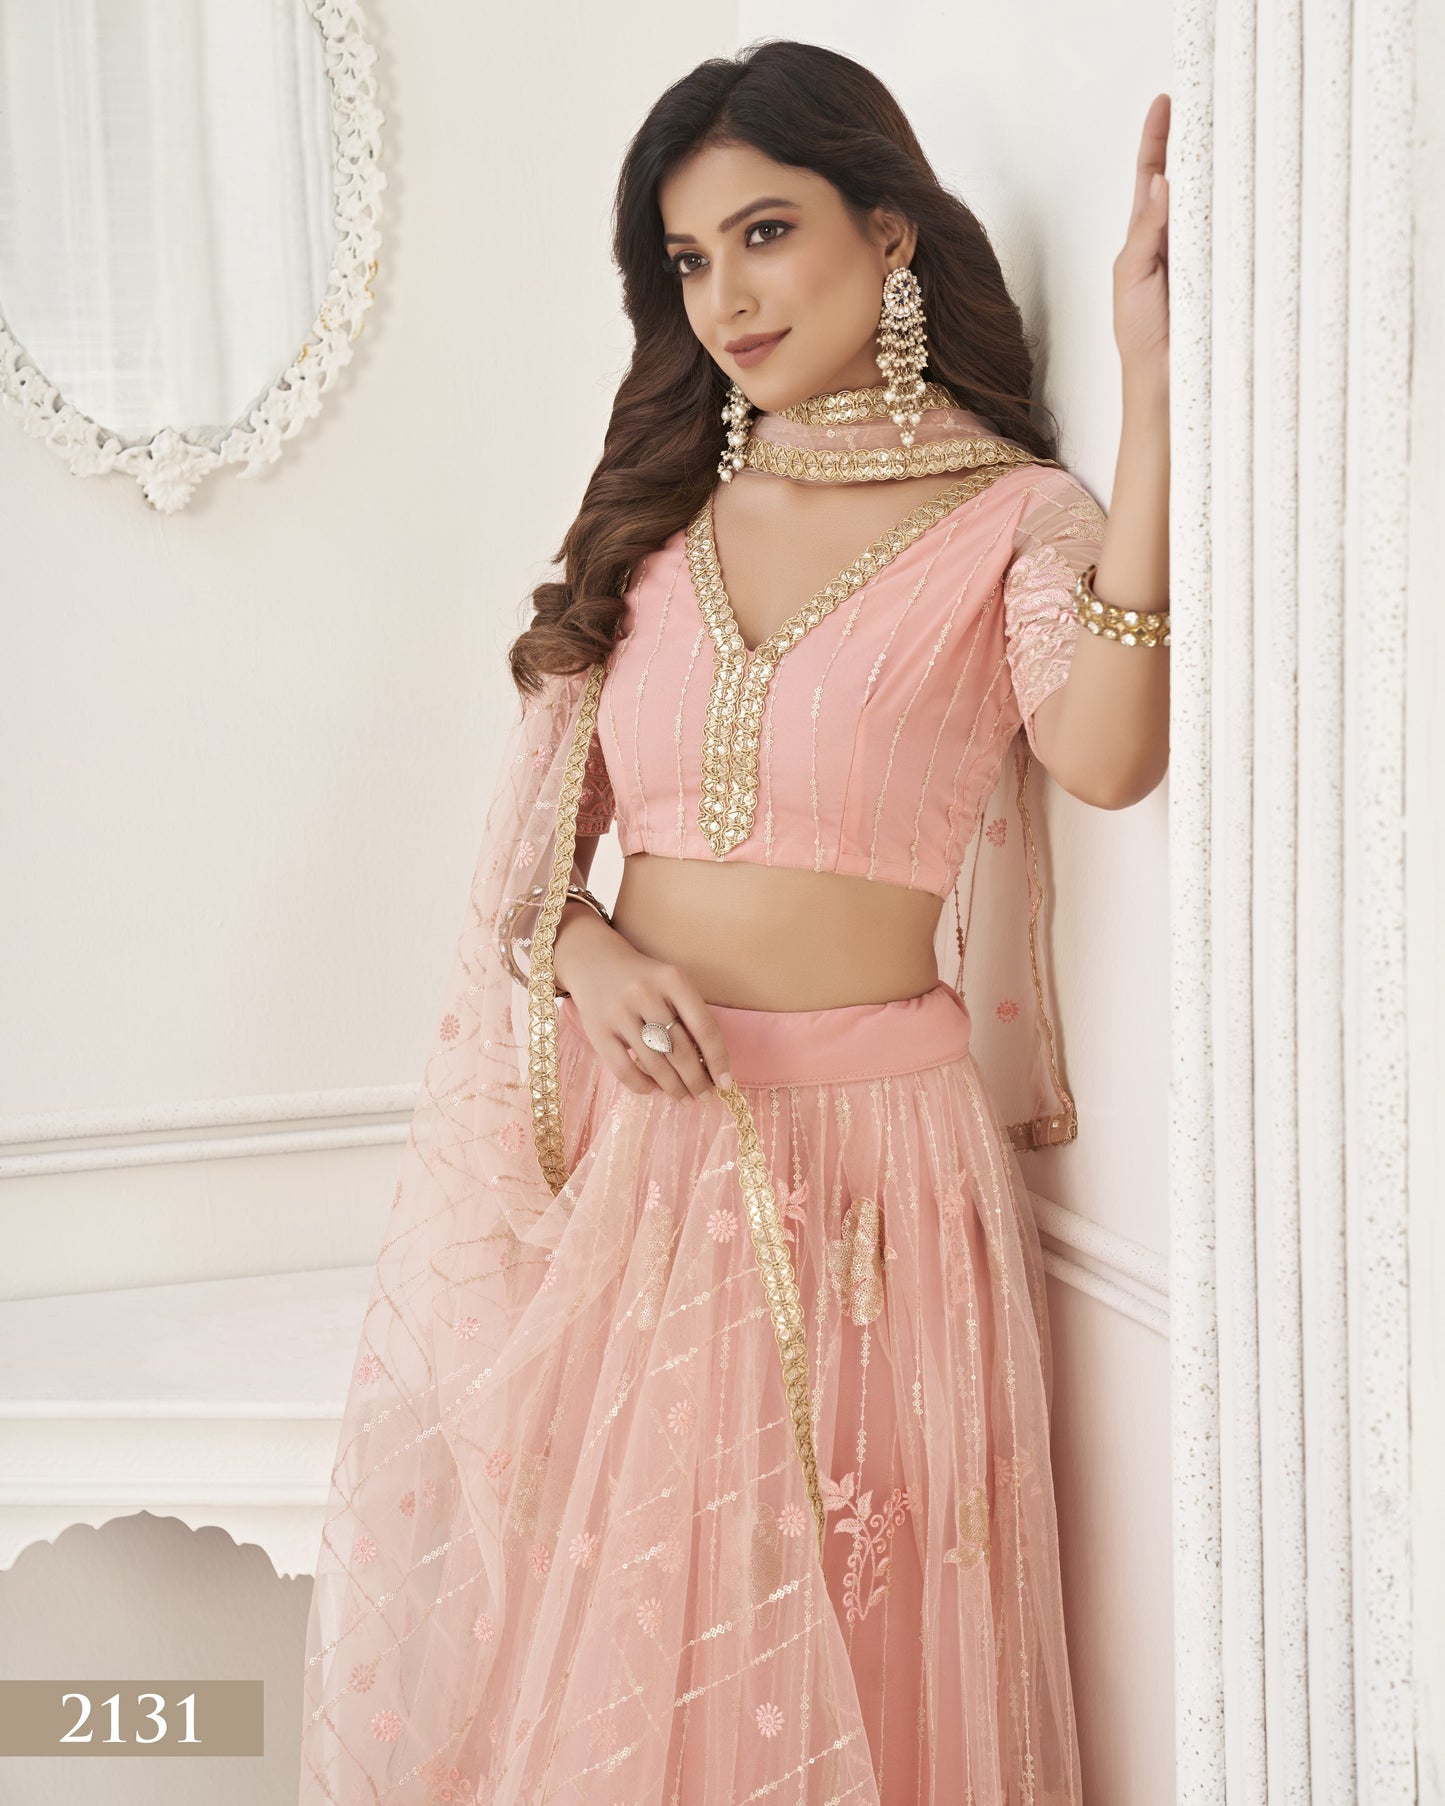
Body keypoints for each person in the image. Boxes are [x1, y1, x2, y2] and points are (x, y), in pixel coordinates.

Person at [297, 40, 1171, 1806]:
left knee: (854, 1642)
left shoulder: (1011, 519)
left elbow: (1104, 754)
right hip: (650, 1154)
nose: (727, 298)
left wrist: (1151, 390)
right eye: (689, 263)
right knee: (639, 1657)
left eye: (764, 234)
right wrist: (597, 951)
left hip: (878, 1181)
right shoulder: (656, 525)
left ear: (891, 231)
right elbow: (529, 876)